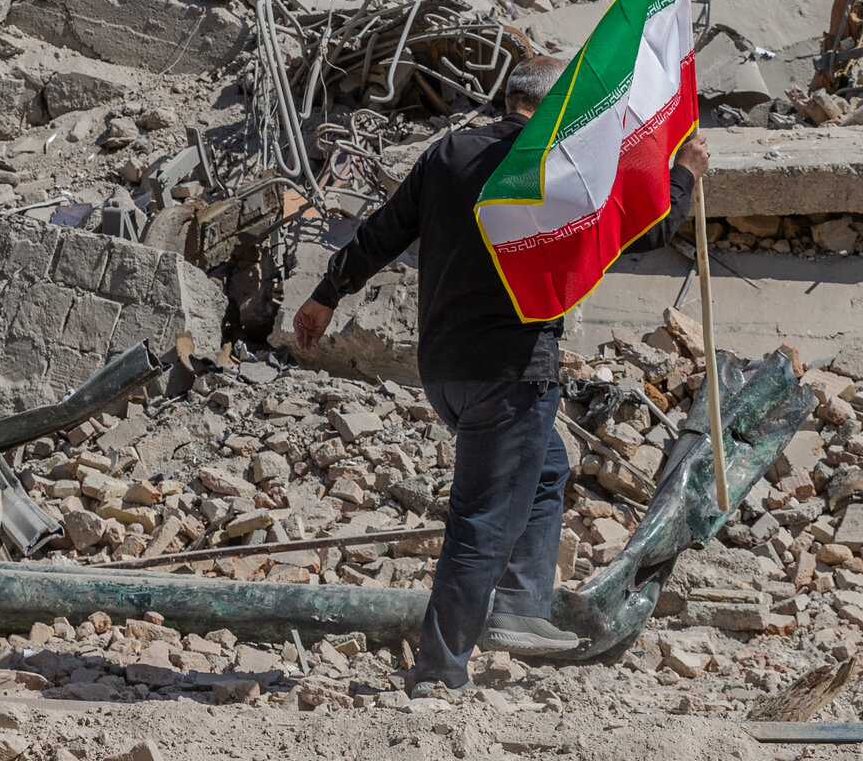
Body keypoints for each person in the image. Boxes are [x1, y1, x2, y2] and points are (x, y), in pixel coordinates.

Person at [294, 54, 711, 693]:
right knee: (482, 519)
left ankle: (520, 607)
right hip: (511, 374)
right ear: (556, 106)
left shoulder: (448, 153)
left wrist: (328, 293)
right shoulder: (556, 168)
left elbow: (382, 232)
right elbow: (644, 229)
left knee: (545, 469)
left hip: (444, 370)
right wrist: (683, 175)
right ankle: (440, 669)